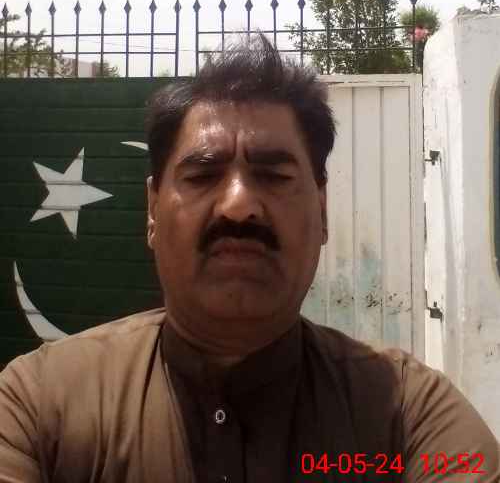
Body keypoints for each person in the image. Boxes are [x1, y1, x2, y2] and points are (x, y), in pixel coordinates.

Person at [0, 35, 498, 483]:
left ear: (322, 210)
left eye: (274, 176)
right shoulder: (37, 405)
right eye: (202, 175)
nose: (238, 206)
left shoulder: (410, 417)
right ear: (152, 210)